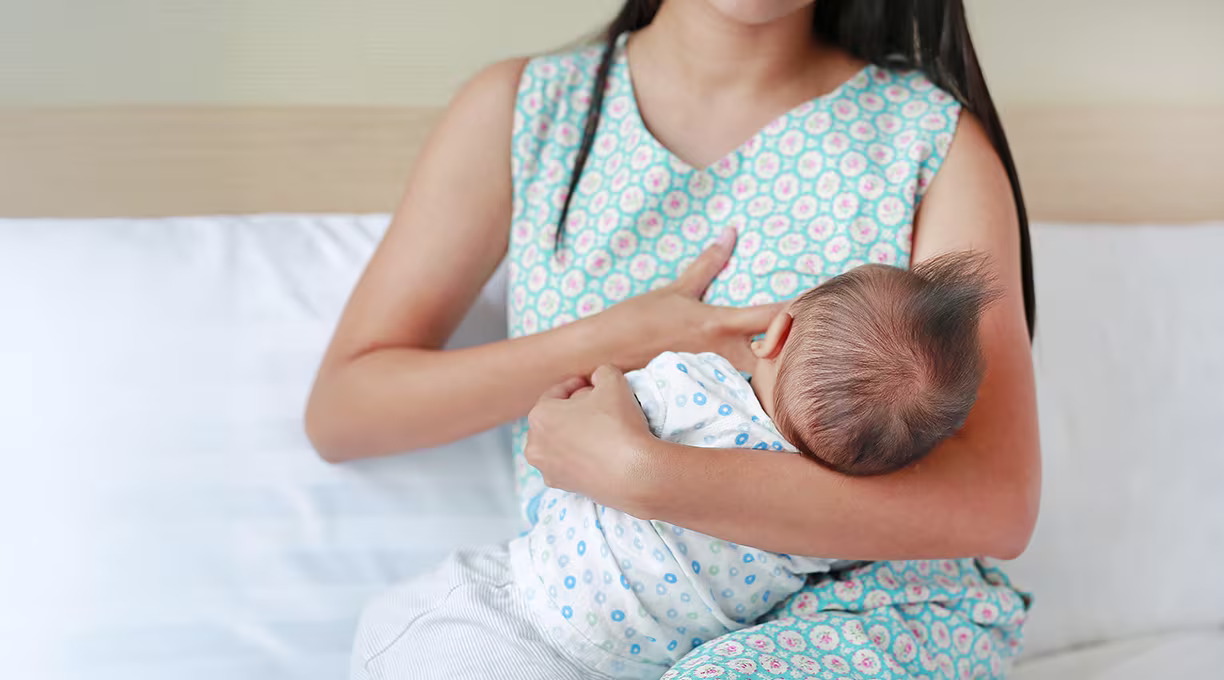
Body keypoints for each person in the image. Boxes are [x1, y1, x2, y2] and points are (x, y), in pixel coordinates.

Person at [307, 0, 1041, 677]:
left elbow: (999, 508)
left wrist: (646, 475)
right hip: (594, 621)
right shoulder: (531, 111)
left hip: (863, 617)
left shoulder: (928, 139)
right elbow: (347, 410)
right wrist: (616, 338)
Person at [349, 255, 997, 679]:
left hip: (509, 608)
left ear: (776, 331)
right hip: (577, 657)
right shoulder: (818, 539)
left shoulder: (691, 384)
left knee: (400, 642)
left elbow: (589, 403)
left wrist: (598, 377)